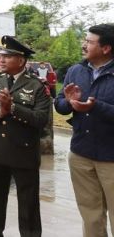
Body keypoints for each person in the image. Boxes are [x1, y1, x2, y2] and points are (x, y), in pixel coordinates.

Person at [0, 36, 51, 237]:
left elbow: (41, 119)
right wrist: (0, 112)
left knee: (28, 206)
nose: (1, 59)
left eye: (7, 56)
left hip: (23, 153)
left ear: (21, 60)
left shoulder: (36, 86)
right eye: (1, 55)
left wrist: (13, 108)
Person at [55, 24, 114, 237]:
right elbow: (60, 103)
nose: (84, 45)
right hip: (81, 154)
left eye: (89, 41)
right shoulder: (76, 70)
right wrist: (70, 102)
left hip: (111, 157)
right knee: (91, 215)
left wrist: (95, 106)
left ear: (106, 48)